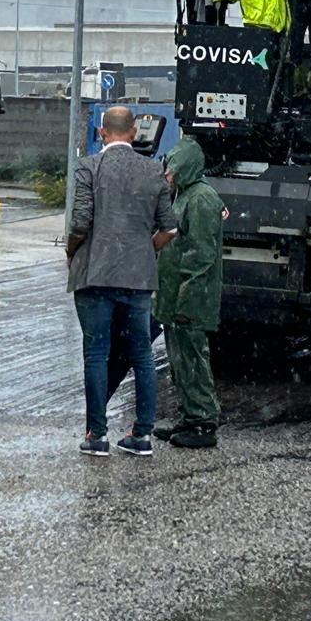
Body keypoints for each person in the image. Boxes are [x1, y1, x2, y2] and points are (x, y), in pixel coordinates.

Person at [66, 105, 178, 457]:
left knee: (97, 353)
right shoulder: (154, 171)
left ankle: (96, 435)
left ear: (102, 134)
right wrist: (146, 249)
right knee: (141, 354)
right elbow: (170, 228)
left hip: (95, 274)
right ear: (133, 133)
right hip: (138, 277)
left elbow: (80, 222)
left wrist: (72, 252)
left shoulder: (88, 167)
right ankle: (141, 435)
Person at [153, 137, 225, 449]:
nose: (167, 174)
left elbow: (201, 255)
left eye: (171, 169)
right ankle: (190, 416)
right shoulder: (185, 195)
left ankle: (203, 421)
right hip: (175, 296)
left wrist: (187, 295)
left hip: (190, 299)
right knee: (181, 359)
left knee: (194, 358)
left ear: (185, 168)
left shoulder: (201, 199)